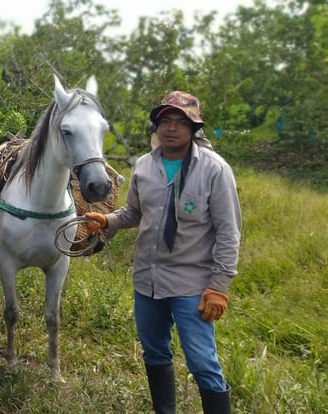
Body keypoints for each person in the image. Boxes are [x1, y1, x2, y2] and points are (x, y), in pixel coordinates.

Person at [84, 91, 240, 413]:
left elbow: (228, 231)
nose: (172, 128)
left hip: (191, 286)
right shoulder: (144, 166)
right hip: (148, 281)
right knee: (154, 353)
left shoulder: (214, 170)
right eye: (165, 121)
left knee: (202, 363)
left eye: (181, 122)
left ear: (194, 128)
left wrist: (219, 286)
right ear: (156, 126)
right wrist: (108, 221)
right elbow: (135, 212)